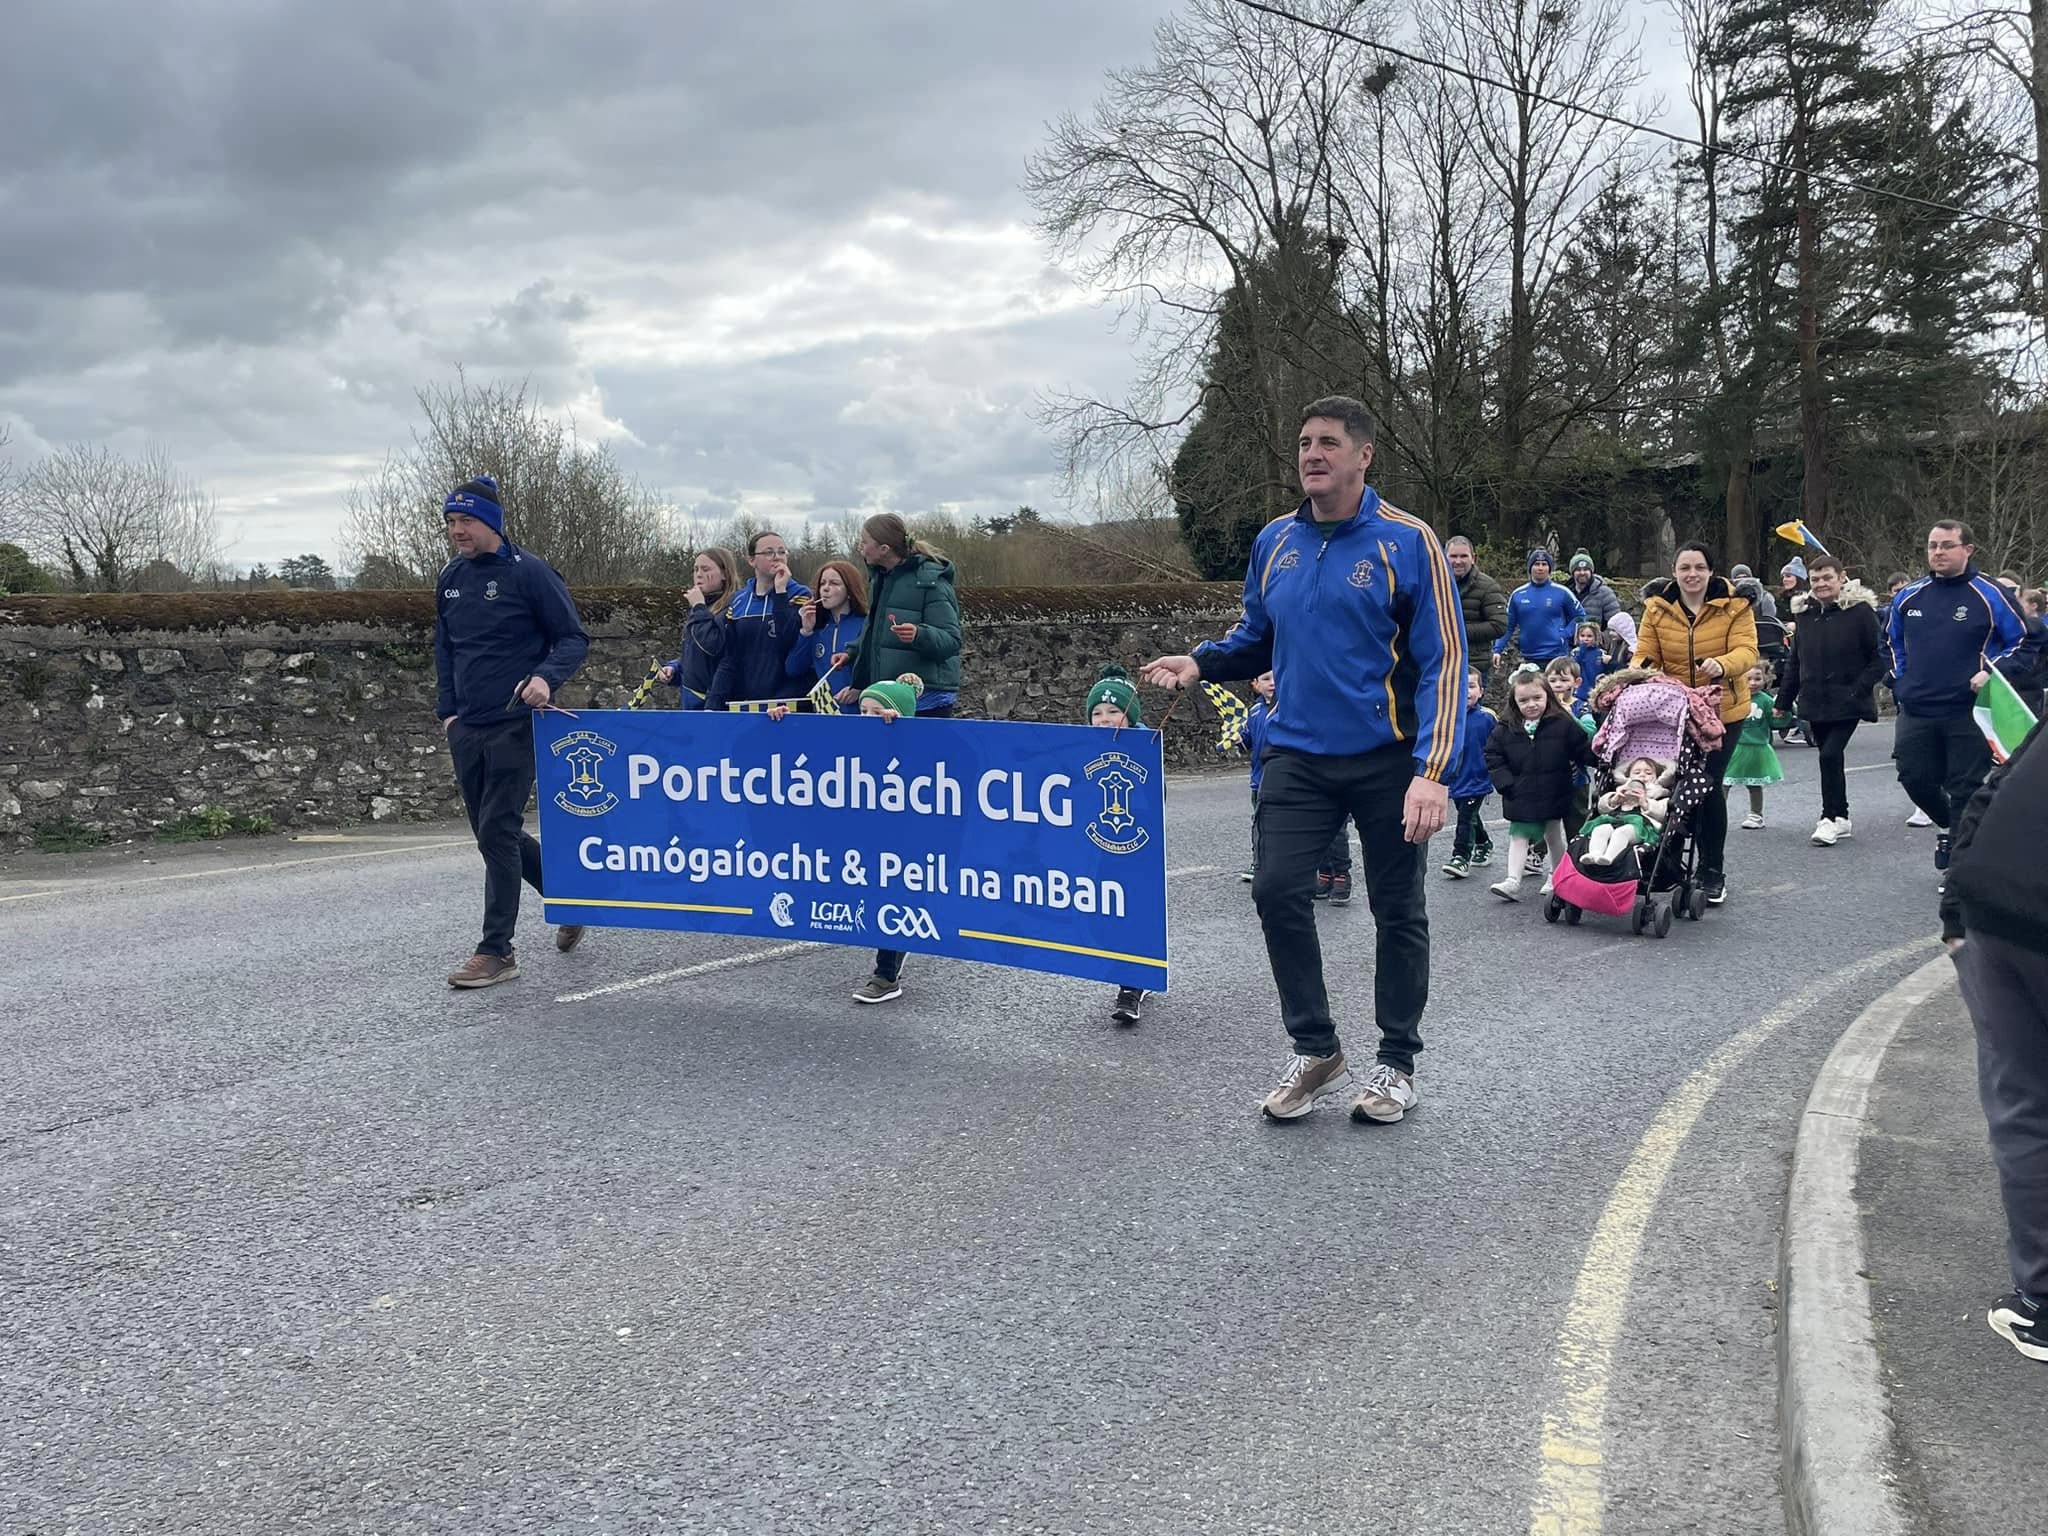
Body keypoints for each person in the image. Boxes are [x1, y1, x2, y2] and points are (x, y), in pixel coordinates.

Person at [1141, 394, 1463, 1126]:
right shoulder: (1275, 541)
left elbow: (1444, 660)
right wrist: (1201, 661)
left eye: (1328, 442)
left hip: (1388, 760)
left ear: (1364, 455)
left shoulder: (1407, 541)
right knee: (1277, 889)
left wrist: (1432, 771)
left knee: (1397, 909)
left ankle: (1396, 1062)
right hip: (1296, 754)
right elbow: (1257, 635)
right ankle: (1315, 1048)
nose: (1312, 454)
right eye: (1304, 443)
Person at [431, 474, 590, 988]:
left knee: (497, 830)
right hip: (467, 725)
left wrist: (544, 678)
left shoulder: (530, 573)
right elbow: (445, 648)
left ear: (492, 523)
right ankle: (571, 897)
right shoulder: (451, 576)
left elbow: (573, 638)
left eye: (466, 520)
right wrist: (448, 714)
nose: (457, 530)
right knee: (491, 832)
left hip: (516, 724)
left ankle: (496, 950)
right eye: (451, 521)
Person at [1940, 718, 2048, 1362]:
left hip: (1997, 907)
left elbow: (1996, 785)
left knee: (2025, 1107)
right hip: (2002, 909)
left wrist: (1956, 907)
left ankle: (2041, 1300)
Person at [1888, 520, 2029, 879]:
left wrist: (1993, 672)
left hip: (1969, 709)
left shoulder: (1991, 594)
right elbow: (1889, 642)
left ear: (1968, 549)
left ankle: (1959, 867)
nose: (1938, 552)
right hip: (1917, 706)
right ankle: (1951, 826)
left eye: (1947, 545)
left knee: (1964, 786)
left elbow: (2025, 642)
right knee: (1914, 777)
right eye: (1933, 545)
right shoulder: (1909, 596)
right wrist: (1901, 680)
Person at [1633, 541, 1759, 906]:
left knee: (1707, 785)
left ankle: (1711, 870)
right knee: (1671, 784)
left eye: (1699, 567)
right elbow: (1645, 654)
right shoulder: (1657, 608)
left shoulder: (1735, 605)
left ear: (1711, 571)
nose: (1692, 574)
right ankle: (1667, 862)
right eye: (1685, 568)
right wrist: (1638, 673)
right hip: (1673, 711)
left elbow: (1747, 650)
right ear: (1674, 572)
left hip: (1723, 710)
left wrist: (1723, 664)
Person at [1776, 554, 1884, 846]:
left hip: (1849, 700)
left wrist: (1858, 689)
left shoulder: (1860, 612)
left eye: (1827, 578)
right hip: (1815, 699)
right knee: (1829, 759)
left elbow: (1879, 657)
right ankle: (1841, 816)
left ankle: (1828, 817)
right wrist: (1783, 701)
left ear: (1841, 577)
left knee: (1829, 755)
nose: (1821, 584)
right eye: (1815, 579)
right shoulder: (1805, 614)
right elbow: (1796, 661)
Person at [1484, 666, 1594, 902]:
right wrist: (1506, 784)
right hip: (1520, 792)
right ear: (1514, 702)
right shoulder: (1505, 728)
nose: (1531, 704)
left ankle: (1557, 876)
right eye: (1523, 700)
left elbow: (1581, 747)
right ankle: (1512, 880)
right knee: (1519, 835)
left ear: (1548, 696)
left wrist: (1603, 760)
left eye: (1537, 698)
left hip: (1554, 790)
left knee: (1553, 835)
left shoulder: (1562, 722)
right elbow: (1493, 756)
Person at [1083, 664, 1153, 1026]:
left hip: (1136, 856)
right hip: (1100, 854)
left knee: (1132, 917)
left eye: (1114, 711)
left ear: (1130, 715)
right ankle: (1137, 970)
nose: (1105, 719)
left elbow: (1154, 806)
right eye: (1097, 713)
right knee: (1102, 921)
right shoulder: (1083, 750)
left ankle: (1132, 985)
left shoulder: (1146, 751)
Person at [841, 514, 962, 716]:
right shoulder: (881, 579)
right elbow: (875, 631)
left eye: (864, 542)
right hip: (889, 693)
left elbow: (952, 640)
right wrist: (852, 652)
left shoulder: (930, 581)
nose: (860, 547)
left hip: (926, 697)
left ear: (884, 549)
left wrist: (919, 635)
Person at [708, 530, 811, 708]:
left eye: (782, 552)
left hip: (786, 704)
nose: (777, 557)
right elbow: (729, 658)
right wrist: (713, 704)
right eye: (769, 552)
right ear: (751, 560)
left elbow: (789, 640)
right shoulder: (738, 601)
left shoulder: (801, 594)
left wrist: (780, 592)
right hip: (746, 701)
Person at [658, 547, 737, 709]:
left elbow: (713, 647)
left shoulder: (733, 607)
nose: (698, 574)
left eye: (705, 569)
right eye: (695, 569)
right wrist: (674, 668)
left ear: (724, 574)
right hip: (691, 700)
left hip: (714, 703)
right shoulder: (703, 607)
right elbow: (696, 656)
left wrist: (699, 607)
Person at [786, 558, 867, 708]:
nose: (825, 588)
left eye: (834, 583)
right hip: (826, 712)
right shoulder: (819, 629)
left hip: (861, 712)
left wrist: (860, 688)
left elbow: (878, 670)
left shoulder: (866, 625)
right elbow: (793, 669)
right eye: (822, 583)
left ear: (850, 590)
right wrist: (806, 631)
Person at [1442, 668, 1497, 879]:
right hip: (1456, 779)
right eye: (1460, 686)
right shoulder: (1446, 717)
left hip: (1478, 778)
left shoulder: (1487, 718)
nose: (1465, 691)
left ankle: (1461, 857)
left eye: (1471, 686)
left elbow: (1501, 744)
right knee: (1470, 816)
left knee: (1465, 817)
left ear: (1481, 691)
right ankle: (1484, 843)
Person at [1495, 549, 1585, 668]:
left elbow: (1580, 616)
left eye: (1544, 564)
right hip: (1527, 657)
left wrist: (1565, 633)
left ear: (1549, 569)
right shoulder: (1517, 595)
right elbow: (1508, 625)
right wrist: (1497, 649)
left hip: (1557, 656)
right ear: (1530, 568)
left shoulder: (1562, 592)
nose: (1540, 568)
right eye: (1537, 564)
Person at [1579, 757, 1672, 867]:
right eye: (1637, 772)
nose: (1642, 775)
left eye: (1648, 773)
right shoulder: (1620, 790)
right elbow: (1601, 808)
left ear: (1657, 777)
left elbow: (1663, 813)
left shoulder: (1659, 794)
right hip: (1615, 820)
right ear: (1628, 776)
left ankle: (1609, 857)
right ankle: (1595, 854)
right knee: (1600, 829)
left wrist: (1645, 803)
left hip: (1640, 827)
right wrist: (1614, 800)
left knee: (1622, 832)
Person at [1727, 662, 1785, 829]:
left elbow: (1775, 722)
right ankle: (1717, 815)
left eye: (1757, 679)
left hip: (1756, 747)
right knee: (1724, 782)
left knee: (1754, 783)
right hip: (1735, 747)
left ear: (1766, 679)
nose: (1753, 683)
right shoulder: (1735, 698)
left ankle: (1756, 815)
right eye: (1748, 679)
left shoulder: (1766, 701)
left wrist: (1782, 714)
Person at [1447, 537, 1508, 686]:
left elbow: (1499, 625)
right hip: (1441, 663)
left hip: (1475, 665)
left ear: (1473, 558)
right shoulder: (1433, 584)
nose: (1458, 561)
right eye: (1453, 556)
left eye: (1463, 556)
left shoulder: (1488, 587)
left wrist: (1456, 631)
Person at [1235, 670, 1275, 883]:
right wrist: (1237, 740)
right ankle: (1258, 862)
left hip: (1282, 777)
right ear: (1255, 684)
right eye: (1266, 679)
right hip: (1258, 779)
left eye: (1276, 677)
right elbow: (1247, 740)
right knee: (1259, 823)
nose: (1272, 683)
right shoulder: (1254, 711)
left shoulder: (1288, 707)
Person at [1565, 551, 1623, 632]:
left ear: (1591, 572)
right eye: (1578, 570)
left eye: (1586, 569)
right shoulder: (1565, 594)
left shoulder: (1605, 593)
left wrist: (1600, 638)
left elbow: (1617, 624)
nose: (1582, 573)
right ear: (1572, 573)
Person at [1571, 620, 1608, 713]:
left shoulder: (1600, 653)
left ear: (1595, 637)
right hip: (1580, 690)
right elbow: (1574, 665)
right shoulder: (1575, 652)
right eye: (1582, 636)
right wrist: (1582, 649)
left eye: (1589, 636)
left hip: (1595, 690)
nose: (1585, 639)